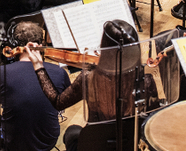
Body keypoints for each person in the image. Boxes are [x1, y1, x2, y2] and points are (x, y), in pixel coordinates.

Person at [26, 20, 140, 151]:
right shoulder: (144, 79)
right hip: (129, 144)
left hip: (96, 145)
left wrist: (38, 66)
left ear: (105, 47)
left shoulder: (90, 78)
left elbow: (58, 102)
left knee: (71, 131)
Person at [0, 21, 70, 150]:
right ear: (41, 45)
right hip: (48, 142)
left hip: (12, 144)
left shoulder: (3, 72)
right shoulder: (59, 72)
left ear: (14, 45)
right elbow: (63, 104)